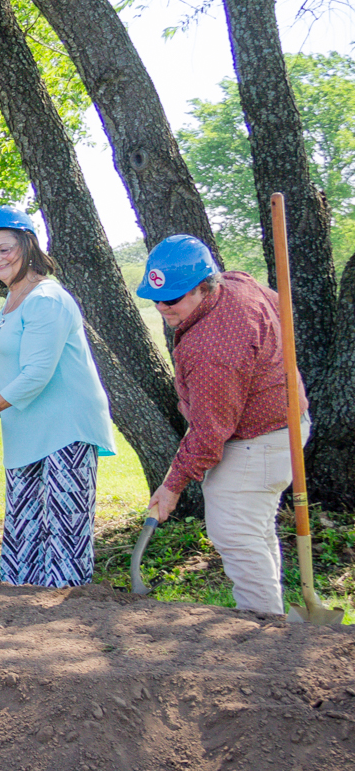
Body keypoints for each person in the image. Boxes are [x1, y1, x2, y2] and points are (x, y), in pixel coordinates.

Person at [138, 234, 304, 615]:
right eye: (156, 298)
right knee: (254, 528)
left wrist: (172, 485)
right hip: (286, 425)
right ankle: (273, 614)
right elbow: (281, 313)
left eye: (174, 298)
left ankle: (264, 627)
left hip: (258, 442)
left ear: (205, 286)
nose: (163, 307)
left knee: (236, 533)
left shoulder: (212, 349)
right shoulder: (239, 283)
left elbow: (210, 435)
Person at [0, 207, 116, 588]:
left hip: (65, 429)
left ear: (28, 246)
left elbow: (36, 374)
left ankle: (64, 618)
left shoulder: (47, 299)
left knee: (64, 529)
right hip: (26, 428)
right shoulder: (13, 300)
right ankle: (21, 610)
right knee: (24, 526)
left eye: (4, 249)